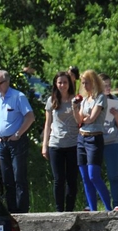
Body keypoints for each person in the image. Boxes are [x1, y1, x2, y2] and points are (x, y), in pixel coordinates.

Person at [0, 70, 35, 213]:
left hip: (17, 142)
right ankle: (11, 210)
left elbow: (30, 117)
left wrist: (18, 133)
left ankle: (22, 210)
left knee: (18, 176)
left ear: (7, 81)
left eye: (0, 82)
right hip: (1, 143)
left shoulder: (18, 96)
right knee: (6, 178)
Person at [72, 69, 112, 212]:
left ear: (94, 82)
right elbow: (79, 121)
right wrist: (74, 108)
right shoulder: (84, 100)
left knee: (93, 175)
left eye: (87, 82)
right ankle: (93, 210)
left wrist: (83, 119)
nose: (85, 86)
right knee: (85, 177)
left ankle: (109, 208)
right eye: (83, 83)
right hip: (81, 138)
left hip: (94, 138)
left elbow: (90, 118)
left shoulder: (100, 98)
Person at [41, 71, 80, 212]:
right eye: (59, 82)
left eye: (65, 82)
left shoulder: (76, 99)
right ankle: (59, 210)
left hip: (73, 143)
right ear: (55, 84)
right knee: (58, 180)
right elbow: (47, 124)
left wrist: (75, 106)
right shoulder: (51, 101)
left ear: (69, 84)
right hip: (55, 144)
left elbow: (80, 121)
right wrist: (44, 145)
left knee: (72, 179)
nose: (62, 85)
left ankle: (70, 209)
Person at [100, 73, 118, 211]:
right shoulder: (92, 101)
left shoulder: (117, 102)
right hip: (96, 143)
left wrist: (116, 116)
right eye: (105, 86)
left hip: (113, 143)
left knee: (113, 175)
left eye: (109, 85)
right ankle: (97, 204)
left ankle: (117, 204)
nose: (108, 88)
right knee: (93, 176)